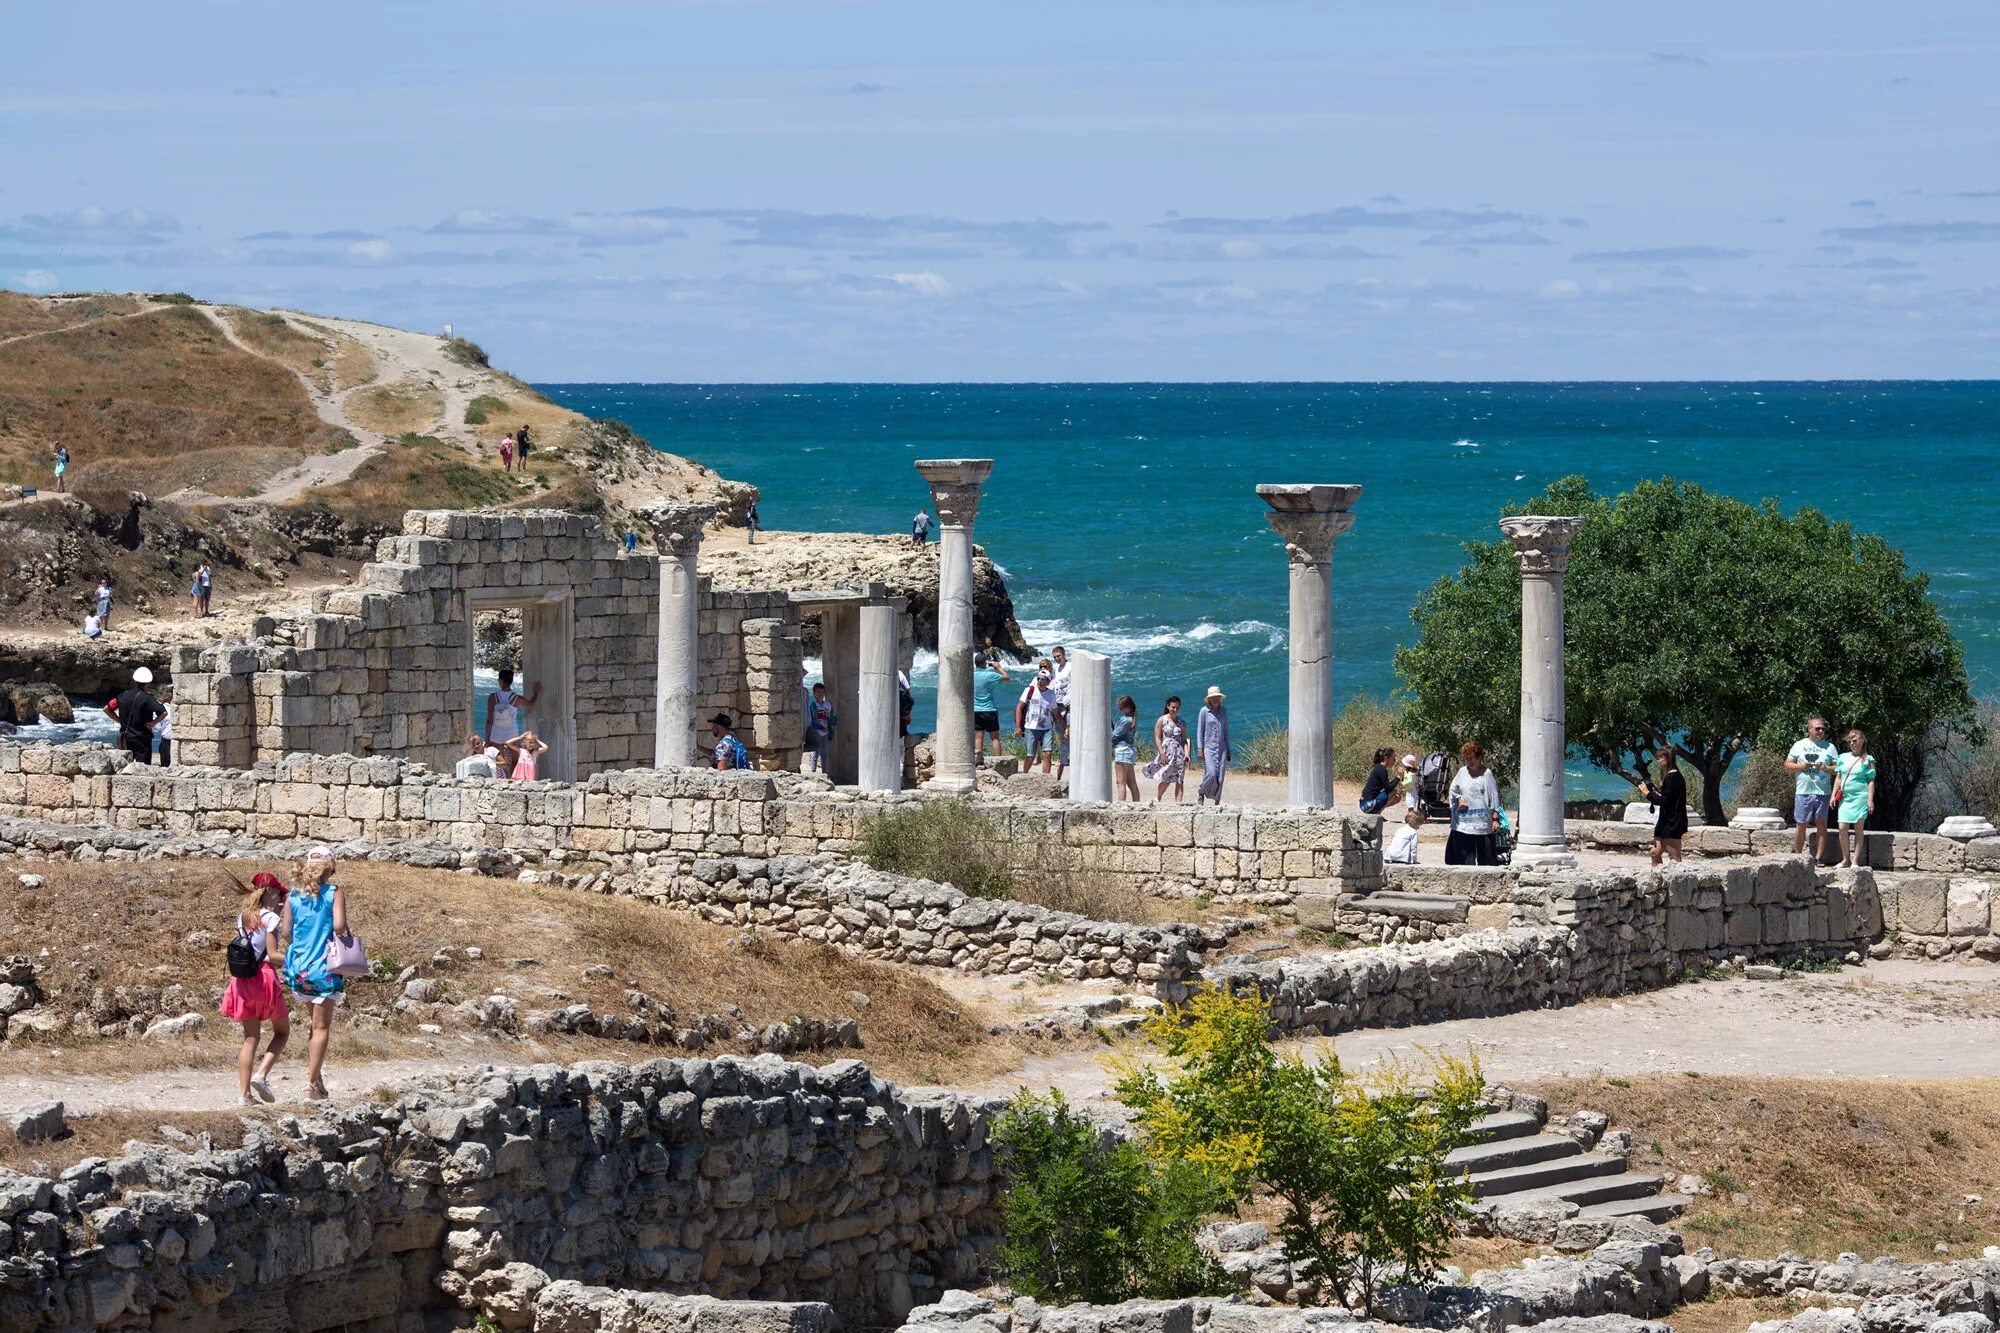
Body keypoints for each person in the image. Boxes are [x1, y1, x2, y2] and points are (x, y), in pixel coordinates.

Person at [279, 848, 348, 1101]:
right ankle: (310, 1084)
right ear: (329, 868)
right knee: (321, 1027)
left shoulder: (293, 895)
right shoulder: (333, 892)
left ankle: (317, 1079)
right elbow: (339, 926)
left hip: (298, 969)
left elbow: (285, 932)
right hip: (324, 968)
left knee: (313, 1024)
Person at [222, 871, 290, 1106]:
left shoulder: (241, 918)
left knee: (250, 1038)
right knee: (282, 1032)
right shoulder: (271, 919)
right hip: (264, 979)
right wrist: (299, 960)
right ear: (269, 892)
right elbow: (272, 955)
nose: (280, 899)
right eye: (278, 894)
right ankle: (261, 1075)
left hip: (242, 981)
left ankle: (244, 1096)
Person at [1785, 716, 1840, 860]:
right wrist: (1801, 766)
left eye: (1822, 728)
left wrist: (1826, 768)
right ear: (1809, 729)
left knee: (1821, 823)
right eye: (1817, 728)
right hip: (1803, 791)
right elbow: (1788, 765)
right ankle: (1797, 857)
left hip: (1823, 792)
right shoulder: (1799, 745)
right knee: (1801, 824)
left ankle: (1818, 858)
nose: (1821, 731)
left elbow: (1838, 769)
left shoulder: (1830, 747)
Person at [1445, 741, 1502, 866]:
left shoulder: (1486, 774)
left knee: (1486, 858)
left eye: (1472, 758)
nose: (1469, 761)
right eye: (1466, 758)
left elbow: (1494, 796)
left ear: (1479, 757)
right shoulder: (1462, 772)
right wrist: (1459, 799)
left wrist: (1495, 819)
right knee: (1463, 859)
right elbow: (1453, 790)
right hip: (1464, 823)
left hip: (1483, 822)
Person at [1831, 729, 1878, 868]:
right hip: (1846, 797)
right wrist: (1833, 795)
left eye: (1855, 740)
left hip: (1860, 797)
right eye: (1850, 741)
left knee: (1858, 828)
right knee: (1842, 827)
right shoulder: (1843, 757)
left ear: (1862, 741)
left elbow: (1871, 781)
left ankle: (1855, 861)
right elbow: (1838, 778)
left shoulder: (1868, 759)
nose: (1852, 743)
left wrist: (1870, 800)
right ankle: (1845, 859)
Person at [104, 666, 164, 765]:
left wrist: (119, 720)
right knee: (143, 768)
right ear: (147, 683)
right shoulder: (148, 698)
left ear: (135, 680)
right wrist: (153, 723)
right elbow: (163, 712)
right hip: (142, 739)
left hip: (125, 737)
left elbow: (106, 709)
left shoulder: (123, 695)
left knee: (126, 766)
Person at [1640, 747, 1688, 865]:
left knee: (1674, 855)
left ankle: (1679, 881)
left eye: (1661, 758)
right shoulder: (1670, 776)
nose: (1658, 761)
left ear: (1668, 759)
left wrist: (1647, 793)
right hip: (1665, 821)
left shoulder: (1673, 777)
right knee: (1655, 852)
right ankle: (1657, 878)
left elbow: (1665, 801)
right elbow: (1668, 797)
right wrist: (1656, 794)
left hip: (1673, 821)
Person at [1015, 665, 1060, 773]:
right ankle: (1024, 775)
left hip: (1046, 728)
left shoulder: (1051, 694)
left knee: (1047, 754)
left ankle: (1045, 779)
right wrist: (1018, 727)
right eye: (1038, 678)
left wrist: (1064, 729)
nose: (1040, 681)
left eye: (1043, 679)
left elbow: (1056, 713)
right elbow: (1019, 708)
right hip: (1031, 727)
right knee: (1030, 756)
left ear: (1048, 682)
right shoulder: (1029, 690)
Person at [1144, 696, 1188, 803]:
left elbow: (1184, 740)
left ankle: (1178, 804)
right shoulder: (1162, 720)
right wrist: (1161, 753)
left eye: (1177, 707)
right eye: (1173, 707)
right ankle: (1158, 797)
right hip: (1167, 753)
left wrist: (1187, 753)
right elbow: (1157, 737)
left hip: (1179, 754)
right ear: (1168, 706)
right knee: (1166, 778)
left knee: (1179, 780)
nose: (1175, 710)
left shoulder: (1182, 723)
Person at [1194, 686, 1231, 806]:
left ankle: (1217, 802)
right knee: (1211, 773)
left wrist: (1229, 749)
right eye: (1213, 697)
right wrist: (1200, 748)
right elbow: (1200, 730)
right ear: (1209, 699)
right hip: (1208, 748)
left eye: (1217, 697)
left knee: (1220, 777)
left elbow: (1226, 731)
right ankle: (1201, 792)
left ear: (1220, 698)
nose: (1215, 699)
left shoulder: (1224, 711)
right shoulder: (1204, 711)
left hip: (1222, 748)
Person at [484, 667, 538, 747]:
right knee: (514, 759)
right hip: (512, 735)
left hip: (495, 735)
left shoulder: (492, 697)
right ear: (511, 681)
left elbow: (489, 721)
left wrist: (487, 739)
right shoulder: (517, 698)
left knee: (496, 758)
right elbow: (531, 704)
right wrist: (536, 693)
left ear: (500, 680)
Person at [972, 653, 1011, 757]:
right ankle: (998, 759)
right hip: (989, 709)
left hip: (975, 710)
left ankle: (978, 759)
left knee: (979, 736)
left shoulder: (971, 675)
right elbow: (1007, 677)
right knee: (994, 737)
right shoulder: (989, 675)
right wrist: (998, 668)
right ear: (985, 663)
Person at [1048, 646, 1073, 781]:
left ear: (1063, 654)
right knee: (1062, 738)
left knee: (1068, 733)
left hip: (1068, 703)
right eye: (1055, 657)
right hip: (1058, 703)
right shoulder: (1056, 669)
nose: (1057, 659)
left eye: (1059, 656)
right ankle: (1059, 778)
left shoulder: (1070, 667)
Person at [1112, 695, 1141, 802]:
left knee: (1120, 783)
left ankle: (1120, 806)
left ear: (1126, 707)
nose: (1120, 709)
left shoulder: (1125, 720)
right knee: (1132, 783)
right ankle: (1137, 804)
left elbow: (1114, 734)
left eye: (1121, 707)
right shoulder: (1132, 718)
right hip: (1130, 750)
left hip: (1122, 750)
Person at [1359, 747, 1400, 814]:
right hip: (1366, 805)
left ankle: (1377, 812)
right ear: (1386, 758)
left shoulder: (1379, 767)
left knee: (1396, 796)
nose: (1394, 761)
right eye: (1393, 758)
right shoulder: (1382, 769)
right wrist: (1398, 778)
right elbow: (1389, 788)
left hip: (1364, 803)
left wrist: (1397, 778)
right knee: (1394, 793)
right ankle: (1378, 813)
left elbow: (1387, 786)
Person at [805, 683, 836, 773]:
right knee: (815, 753)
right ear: (814, 693)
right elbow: (810, 719)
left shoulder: (828, 705)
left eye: (822, 691)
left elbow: (833, 716)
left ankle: (824, 774)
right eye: (818, 691)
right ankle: (813, 773)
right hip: (816, 732)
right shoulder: (813, 705)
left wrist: (832, 722)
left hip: (825, 732)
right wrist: (820, 727)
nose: (820, 693)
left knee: (824, 754)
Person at [152, 684, 174, 765]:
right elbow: (152, 720)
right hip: (166, 742)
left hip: (178, 740)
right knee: (166, 763)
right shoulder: (161, 708)